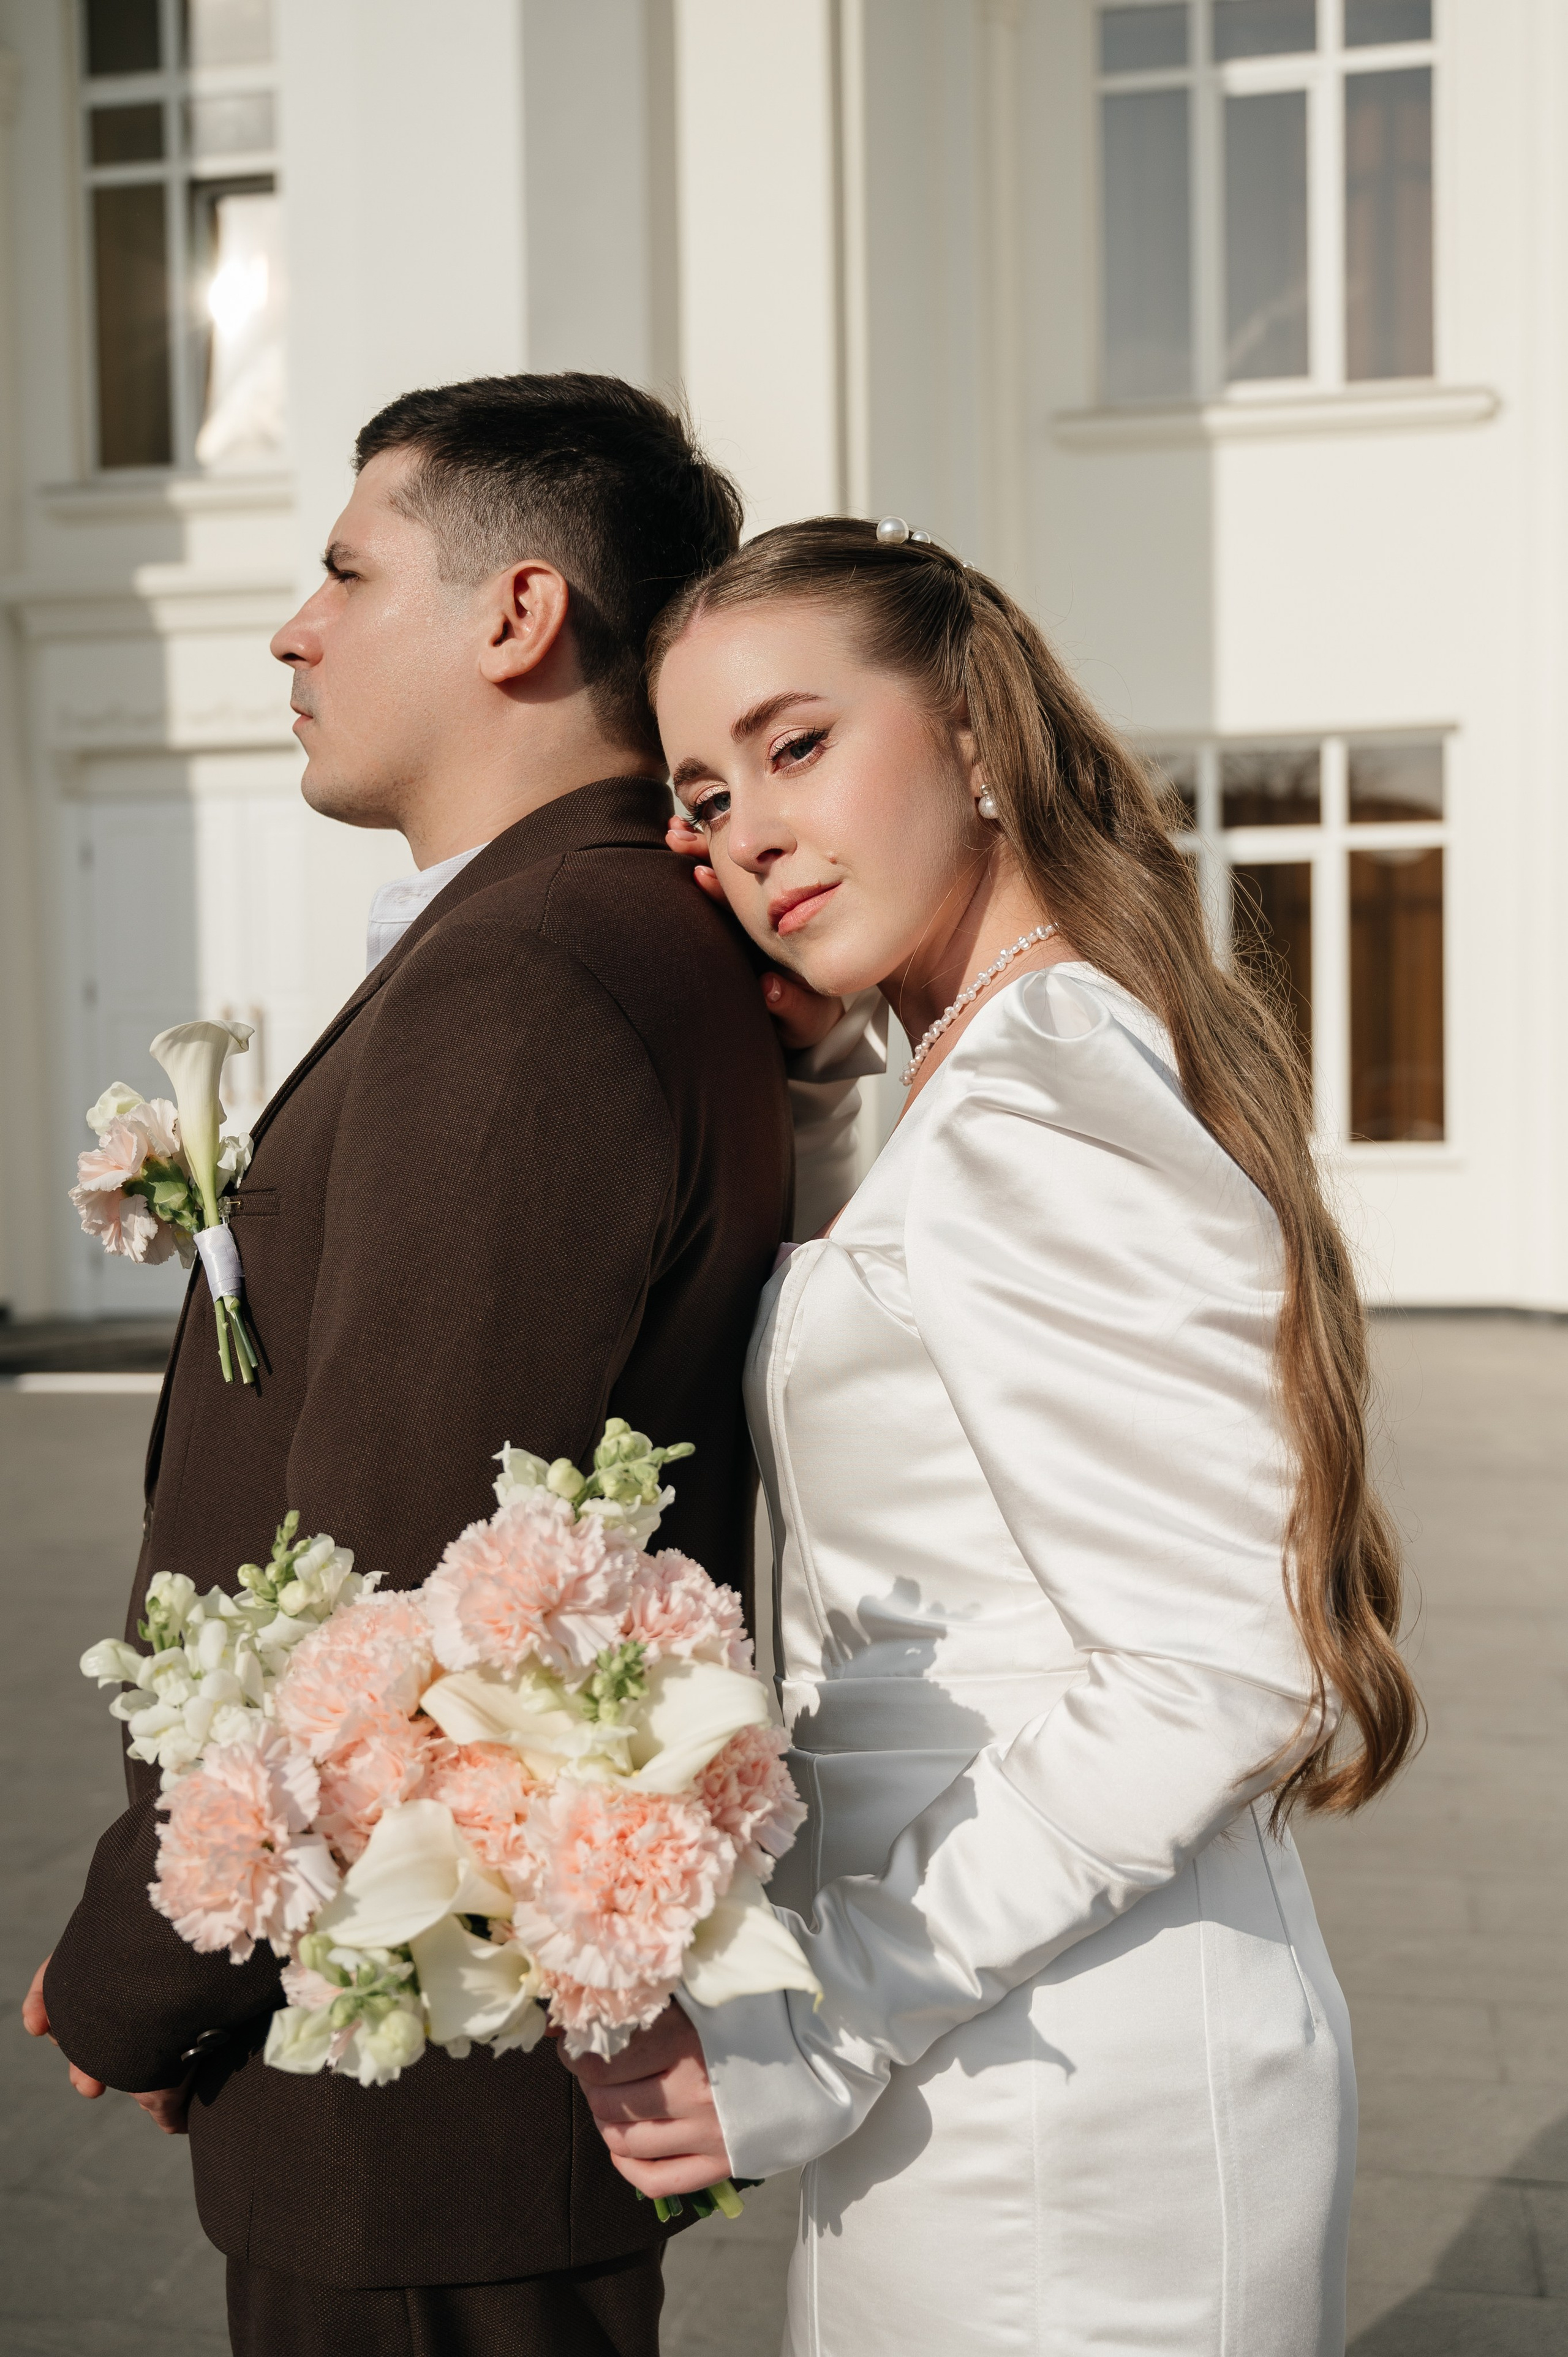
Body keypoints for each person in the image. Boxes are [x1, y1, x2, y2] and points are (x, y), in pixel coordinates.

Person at [562, 517, 1421, 2355]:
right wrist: (814, 1074)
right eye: (705, 798)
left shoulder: (1039, 1101)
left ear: (973, 736)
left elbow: (1223, 1669)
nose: (749, 833)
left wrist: (822, 2017)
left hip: (1072, 2103)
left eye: (798, 746)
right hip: (1001, 2043)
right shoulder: (987, 1072)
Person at [23, 374, 798, 2357]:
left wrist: (149, 1961)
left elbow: (384, 1562)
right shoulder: (595, 930)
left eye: (348, 572)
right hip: (402, 2022)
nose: (296, 631)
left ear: (518, 616)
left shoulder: (534, 971)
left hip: (412, 2069)